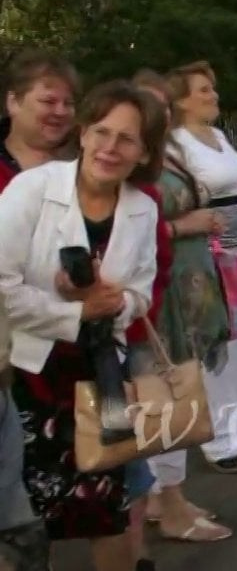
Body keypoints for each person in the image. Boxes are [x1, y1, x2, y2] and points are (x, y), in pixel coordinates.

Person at [0, 80, 167, 571]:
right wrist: (73, 309)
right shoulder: (34, 188)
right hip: (31, 374)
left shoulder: (143, 207)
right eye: (102, 132)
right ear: (84, 133)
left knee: (109, 507)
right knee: (26, 518)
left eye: (127, 139)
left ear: (143, 152)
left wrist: (118, 303)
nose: (110, 148)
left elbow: (142, 289)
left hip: (104, 377)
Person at [132, 70, 232, 543]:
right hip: (155, 299)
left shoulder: (165, 152)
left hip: (188, 294)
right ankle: (167, 504)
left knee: (180, 391)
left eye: (163, 108)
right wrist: (183, 225)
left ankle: (164, 495)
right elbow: (124, 227)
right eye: (148, 107)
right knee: (164, 398)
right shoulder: (126, 161)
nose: (159, 116)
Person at [0, 50, 77, 571]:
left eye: (69, 103)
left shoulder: (81, 171)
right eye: (47, 99)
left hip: (69, 347)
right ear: (12, 101)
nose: (59, 111)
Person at [167, 61, 237, 473]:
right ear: (180, 100)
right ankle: (220, 440)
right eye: (203, 90)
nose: (213, 96)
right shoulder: (176, 144)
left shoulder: (219, 136)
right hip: (207, 257)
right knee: (215, 341)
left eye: (213, 88)